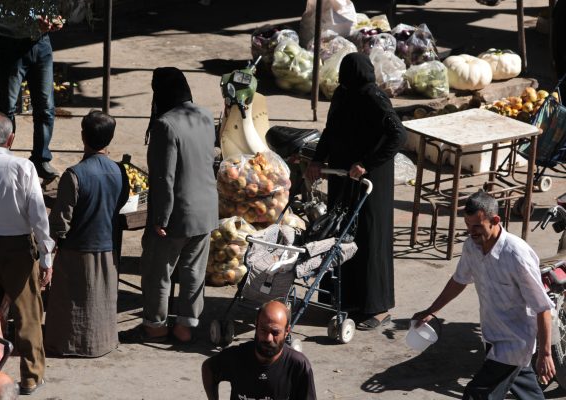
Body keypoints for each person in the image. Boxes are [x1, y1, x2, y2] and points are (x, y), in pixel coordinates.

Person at [412, 191, 555, 399]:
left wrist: (545, 353)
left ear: (495, 220)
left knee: (476, 395)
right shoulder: (472, 246)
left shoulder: (516, 255)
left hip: (514, 342)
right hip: (491, 337)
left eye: (477, 226)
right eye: (468, 226)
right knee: (528, 393)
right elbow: (458, 281)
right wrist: (431, 310)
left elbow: (542, 306)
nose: (472, 232)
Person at [306, 52, 406, 330]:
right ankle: (345, 299)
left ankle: (378, 307)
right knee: (342, 234)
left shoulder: (374, 97)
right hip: (342, 176)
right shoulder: (342, 94)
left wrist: (366, 164)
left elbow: (399, 134)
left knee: (371, 238)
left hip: (370, 180)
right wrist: (317, 160)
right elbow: (330, 130)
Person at [120, 67, 218, 344]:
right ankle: (186, 328)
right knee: (193, 272)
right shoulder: (206, 115)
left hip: (177, 214)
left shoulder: (165, 125)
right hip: (206, 210)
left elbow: (165, 178)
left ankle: (155, 326)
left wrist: (160, 219)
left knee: (157, 273)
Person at [0, 112, 54, 395]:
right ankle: (31, 377)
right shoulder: (24, 167)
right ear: (11, 138)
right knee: (28, 315)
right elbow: (39, 217)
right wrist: (46, 256)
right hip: (17, 250)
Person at [44, 111, 128, 357]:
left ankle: (70, 344)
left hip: (76, 250)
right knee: (99, 300)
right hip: (107, 246)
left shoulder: (74, 174)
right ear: (110, 139)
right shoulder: (119, 171)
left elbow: (61, 220)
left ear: (83, 136)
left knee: (72, 301)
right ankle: (100, 343)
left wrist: (51, 246)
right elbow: (120, 202)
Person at [0, 0, 64, 179]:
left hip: (41, 43)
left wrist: (54, 19)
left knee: (46, 108)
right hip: (12, 46)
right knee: (7, 109)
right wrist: (34, 21)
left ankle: (41, 159)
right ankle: (2, 161)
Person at [202, 300, 317, 400]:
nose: (268, 338)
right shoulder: (236, 357)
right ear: (256, 326)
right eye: (263, 330)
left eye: (275, 332)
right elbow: (208, 368)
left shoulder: (298, 365)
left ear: (287, 331)